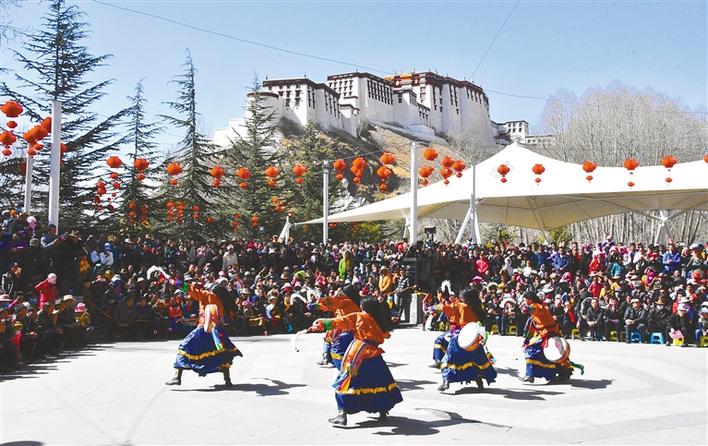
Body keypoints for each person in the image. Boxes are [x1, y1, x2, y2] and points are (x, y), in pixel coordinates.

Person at [307, 297, 403, 427]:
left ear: (363, 307)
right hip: (375, 355)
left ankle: (342, 415)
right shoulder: (379, 319)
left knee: (346, 382)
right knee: (379, 382)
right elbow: (385, 335)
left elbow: (342, 321)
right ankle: (382, 411)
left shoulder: (360, 316)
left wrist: (322, 324)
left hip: (360, 353)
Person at [166, 282, 242, 387]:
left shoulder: (208, 295)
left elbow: (191, 290)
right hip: (217, 330)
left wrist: (176, 282)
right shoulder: (222, 301)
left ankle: (177, 377)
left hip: (203, 330)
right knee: (221, 354)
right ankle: (227, 380)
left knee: (184, 348)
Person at [437, 287, 497, 393]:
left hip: (461, 337)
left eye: (461, 296)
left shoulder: (462, 306)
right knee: (476, 361)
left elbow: (449, 311)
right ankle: (479, 383)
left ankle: (446, 381)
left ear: (466, 298)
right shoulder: (478, 307)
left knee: (449, 359)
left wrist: (442, 300)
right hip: (475, 337)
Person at [521, 291, 580, 383]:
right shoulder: (536, 309)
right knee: (546, 353)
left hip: (548, 333)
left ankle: (530, 375)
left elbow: (530, 310)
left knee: (531, 350)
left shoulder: (537, 306)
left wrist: (524, 308)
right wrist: (527, 339)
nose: (524, 301)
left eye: (525, 300)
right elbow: (533, 327)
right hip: (547, 333)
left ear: (530, 300)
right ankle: (554, 374)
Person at [308, 284, 360, 369]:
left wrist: (326, 299)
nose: (340, 292)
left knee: (334, 342)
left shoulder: (347, 301)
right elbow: (329, 307)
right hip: (341, 325)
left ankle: (333, 361)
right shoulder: (344, 301)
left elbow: (333, 303)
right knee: (328, 337)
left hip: (345, 327)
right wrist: (317, 306)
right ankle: (326, 358)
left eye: (342, 291)